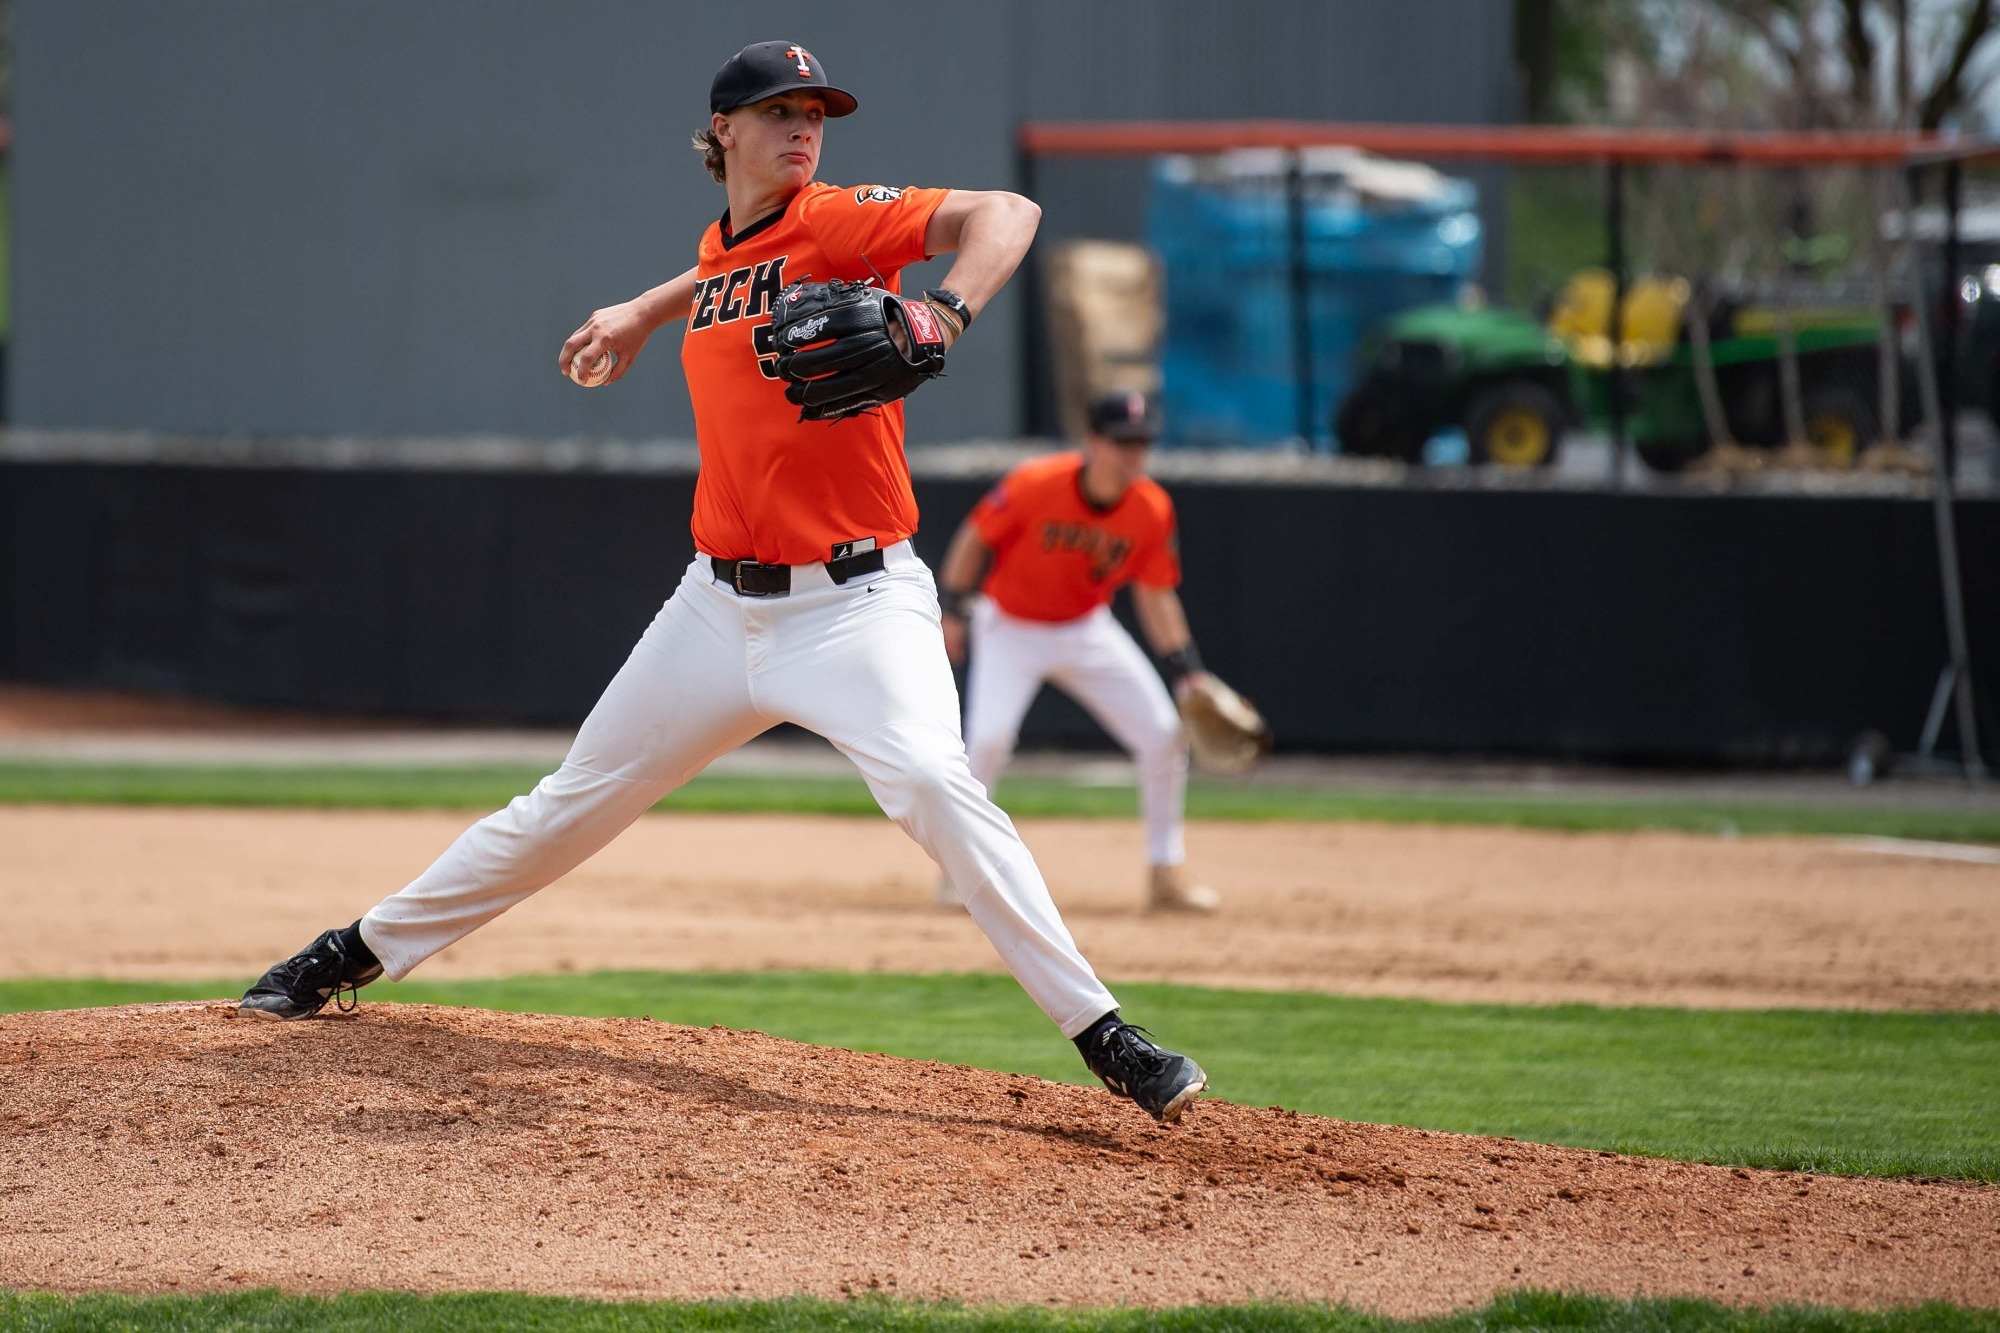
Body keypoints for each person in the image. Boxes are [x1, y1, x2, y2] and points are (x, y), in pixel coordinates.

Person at [237, 41, 1207, 1125]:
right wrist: (642, 313)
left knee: (937, 786)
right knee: (566, 806)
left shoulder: (839, 221)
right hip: (714, 606)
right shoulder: (728, 245)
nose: (803, 126)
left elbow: (1009, 212)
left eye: (815, 110)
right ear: (723, 134)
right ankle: (350, 952)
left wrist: (942, 312)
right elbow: (721, 270)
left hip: (856, 604)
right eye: (777, 109)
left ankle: (1106, 1036)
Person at [934, 391, 1219, 915]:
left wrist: (1187, 671)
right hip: (1010, 627)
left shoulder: (1151, 507)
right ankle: (961, 871)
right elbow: (974, 537)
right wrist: (953, 609)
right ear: (1093, 442)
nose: (1134, 453)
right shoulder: (1037, 482)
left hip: (1085, 629)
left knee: (1162, 734)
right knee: (988, 740)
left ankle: (1165, 872)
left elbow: (1155, 594)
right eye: (1122, 442)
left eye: (1142, 442)